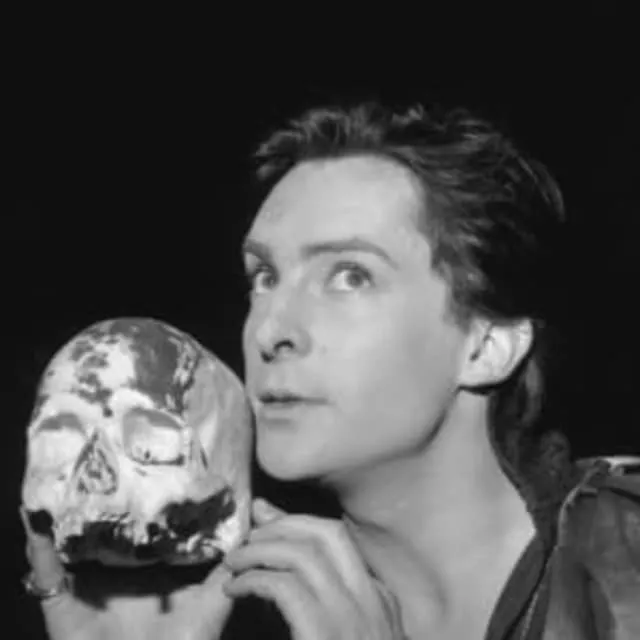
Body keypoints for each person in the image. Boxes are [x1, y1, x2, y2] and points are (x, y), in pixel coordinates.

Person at [22, 100, 640, 639]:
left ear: (487, 346)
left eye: (350, 275)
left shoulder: (625, 558)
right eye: (265, 277)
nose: (270, 330)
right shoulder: (247, 607)